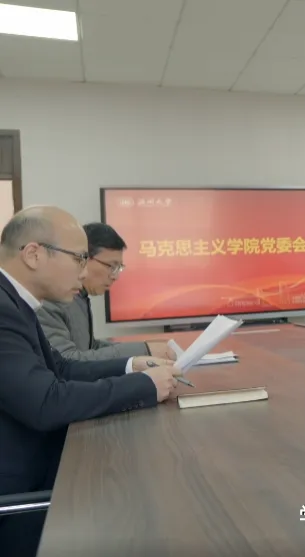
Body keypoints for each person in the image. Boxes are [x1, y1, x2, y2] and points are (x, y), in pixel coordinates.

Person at [0, 206, 181, 557]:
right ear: (33, 254)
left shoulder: (15, 302)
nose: (84, 272)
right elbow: (45, 403)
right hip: (19, 496)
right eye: (78, 258)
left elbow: (61, 368)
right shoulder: (3, 309)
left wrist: (131, 366)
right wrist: (144, 387)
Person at [37, 222, 175, 360]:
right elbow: (67, 361)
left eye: (119, 268)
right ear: (84, 258)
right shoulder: (50, 300)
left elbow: (91, 347)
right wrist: (144, 350)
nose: (115, 276)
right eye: (111, 266)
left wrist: (144, 349)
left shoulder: (80, 298)